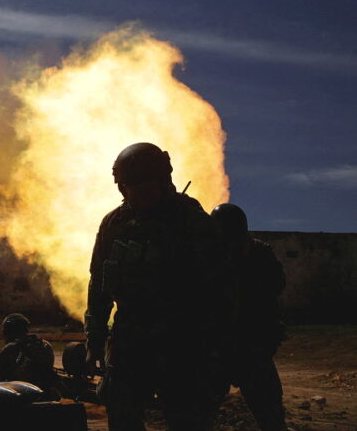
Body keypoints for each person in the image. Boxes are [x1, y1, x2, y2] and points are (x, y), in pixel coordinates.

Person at [84, 142, 234, 431]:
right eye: (127, 185)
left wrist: (217, 353)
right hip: (130, 341)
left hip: (182, 342)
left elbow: (220, 292)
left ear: (163, 180)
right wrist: (94, 342)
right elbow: (99, 286)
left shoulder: (191, 222)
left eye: (142, 184)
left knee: (186, 418)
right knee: (123, 414)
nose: (132, 192)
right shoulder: (115, 224)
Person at [211, 203, 287, 431]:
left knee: (270, 412)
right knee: (198, 412)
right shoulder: (212, 256)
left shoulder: (260, 254)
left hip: (252, 346)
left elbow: (275, 286)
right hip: (219, 347)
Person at [0, 313, 57, 397]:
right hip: (44, 392)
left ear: (9, 330)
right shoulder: (45, 345)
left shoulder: (11, 347)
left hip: (20, 394)